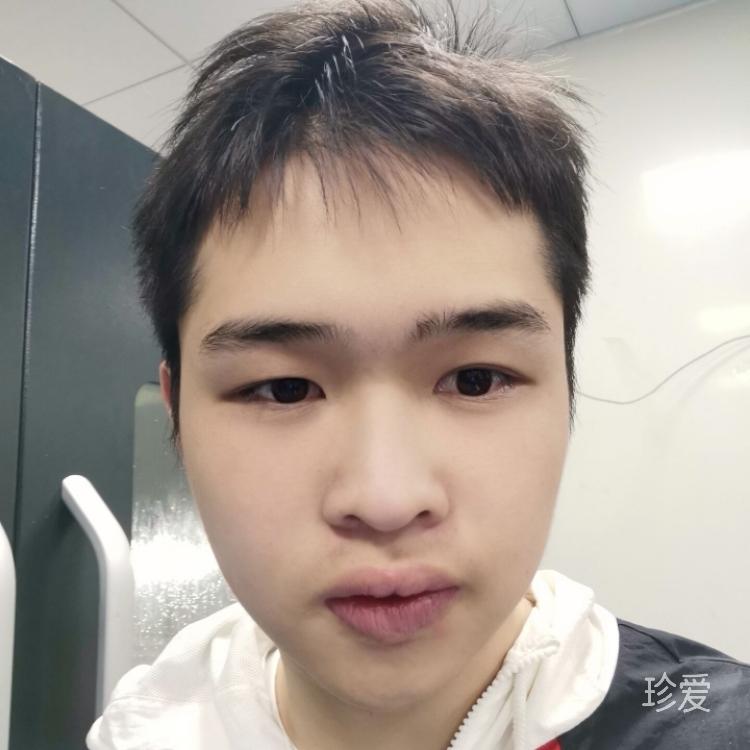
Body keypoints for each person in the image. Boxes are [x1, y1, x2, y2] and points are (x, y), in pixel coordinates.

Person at [86, 0, 749, 747]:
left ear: (566, 389)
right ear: (175, 412)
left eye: (475, 380)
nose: (386, 500)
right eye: (284, 388)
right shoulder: (144, 731)